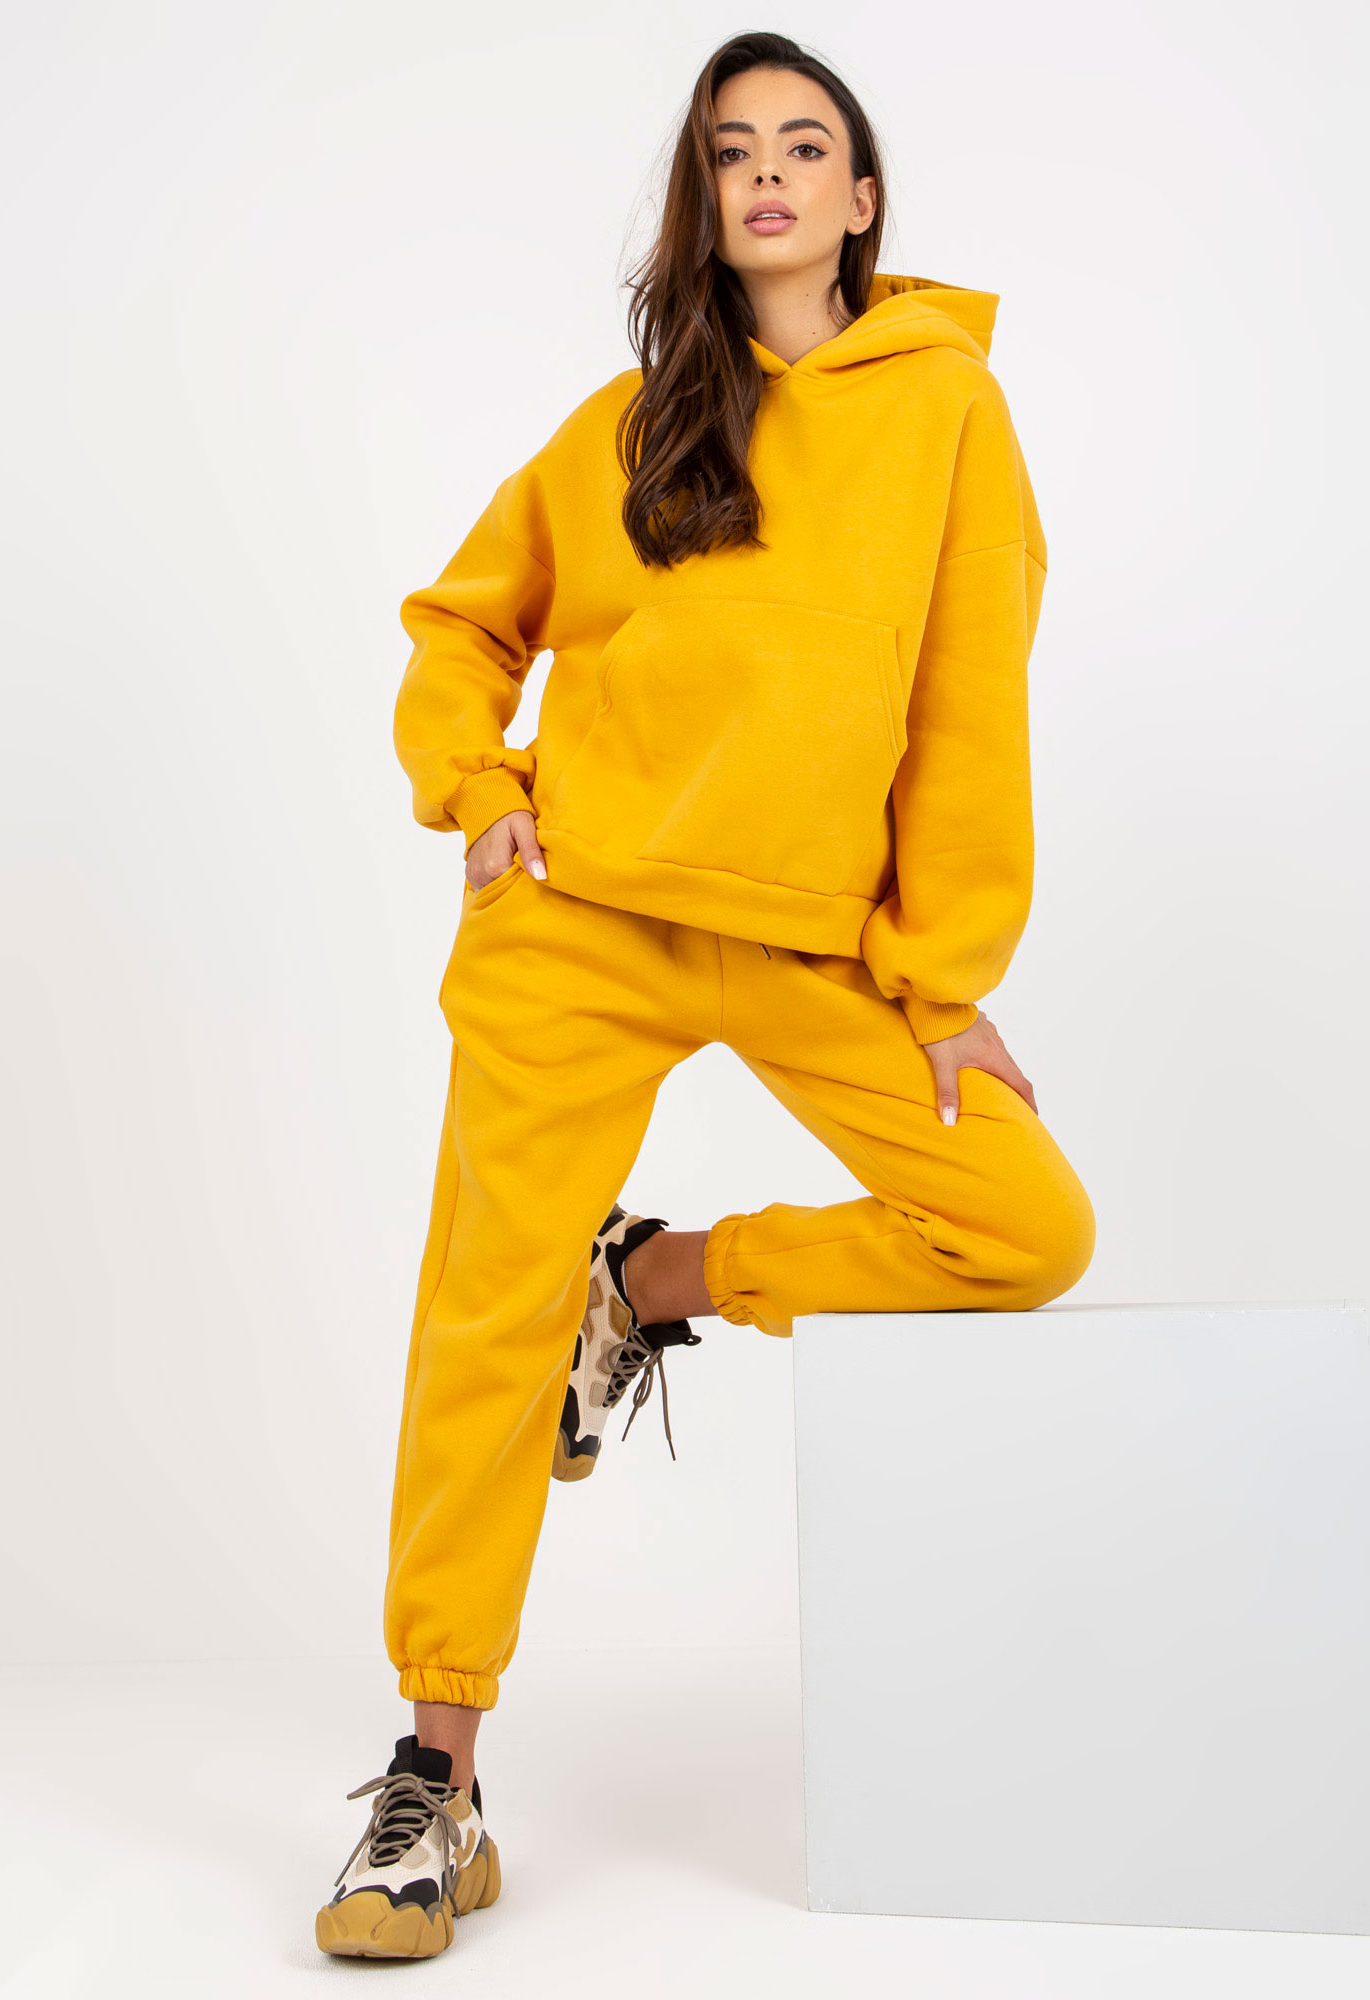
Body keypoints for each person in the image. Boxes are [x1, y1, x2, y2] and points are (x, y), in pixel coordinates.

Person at [313, 30, 1096, 1960]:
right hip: (581, 914)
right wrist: (478, 793)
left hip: (810, 934)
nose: (766, 174)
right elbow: (462, 623)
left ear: (861, 196)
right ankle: (434, 1780)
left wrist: (940, 984)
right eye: (732, 149)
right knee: (481, 1323)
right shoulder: (631, 420)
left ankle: (652, 1282)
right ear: (703, 194)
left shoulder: (947, 411)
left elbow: (969, 700)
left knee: (1024, 1224)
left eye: (803, 146)